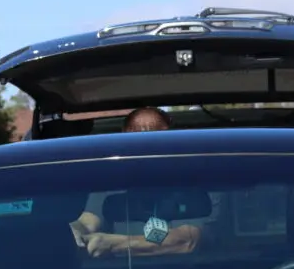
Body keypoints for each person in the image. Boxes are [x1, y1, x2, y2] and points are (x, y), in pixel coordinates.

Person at [69, 107, 203, 257]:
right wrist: (73, 231)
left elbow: (187, 241)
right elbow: (88, 221)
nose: (145, 155)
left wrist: (112, 244)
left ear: (171, 146)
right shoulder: (113, 185)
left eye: (154, 146)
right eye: (136, 146)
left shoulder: (196, 187)